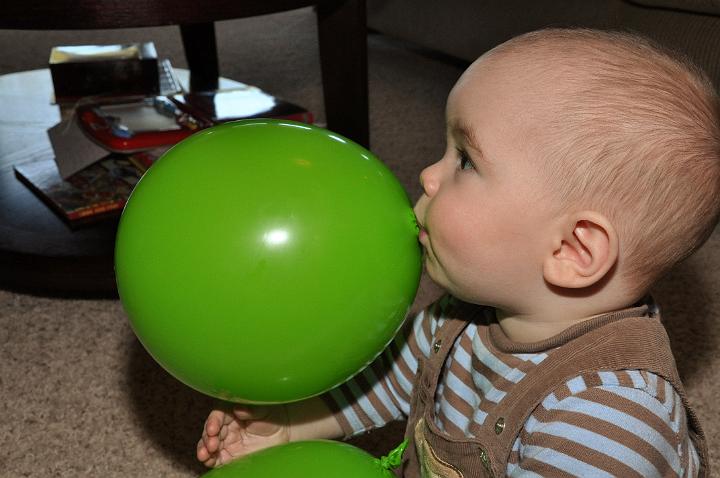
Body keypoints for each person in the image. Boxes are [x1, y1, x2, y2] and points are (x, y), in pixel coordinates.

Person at [197, 28, 719, 476]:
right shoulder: (458, 318)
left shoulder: (610, 422)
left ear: (572, 249)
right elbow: (392, 383)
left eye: (465, 161)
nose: (427, 174)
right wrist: (291, 426)